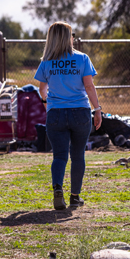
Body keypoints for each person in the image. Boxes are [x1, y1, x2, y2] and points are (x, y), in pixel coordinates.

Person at [34, 22, 102, 210]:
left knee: (59, 156)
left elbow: (42, 89)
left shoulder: (46, 61)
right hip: (80, 111)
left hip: (55, 113)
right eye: (72, 35)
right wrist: (97, 109)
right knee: (78, 154)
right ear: (67, 37)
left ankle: (57, 189)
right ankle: (75, 196)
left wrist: (48, 103)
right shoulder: (82, 58)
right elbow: (89, 86)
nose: (73, 38)